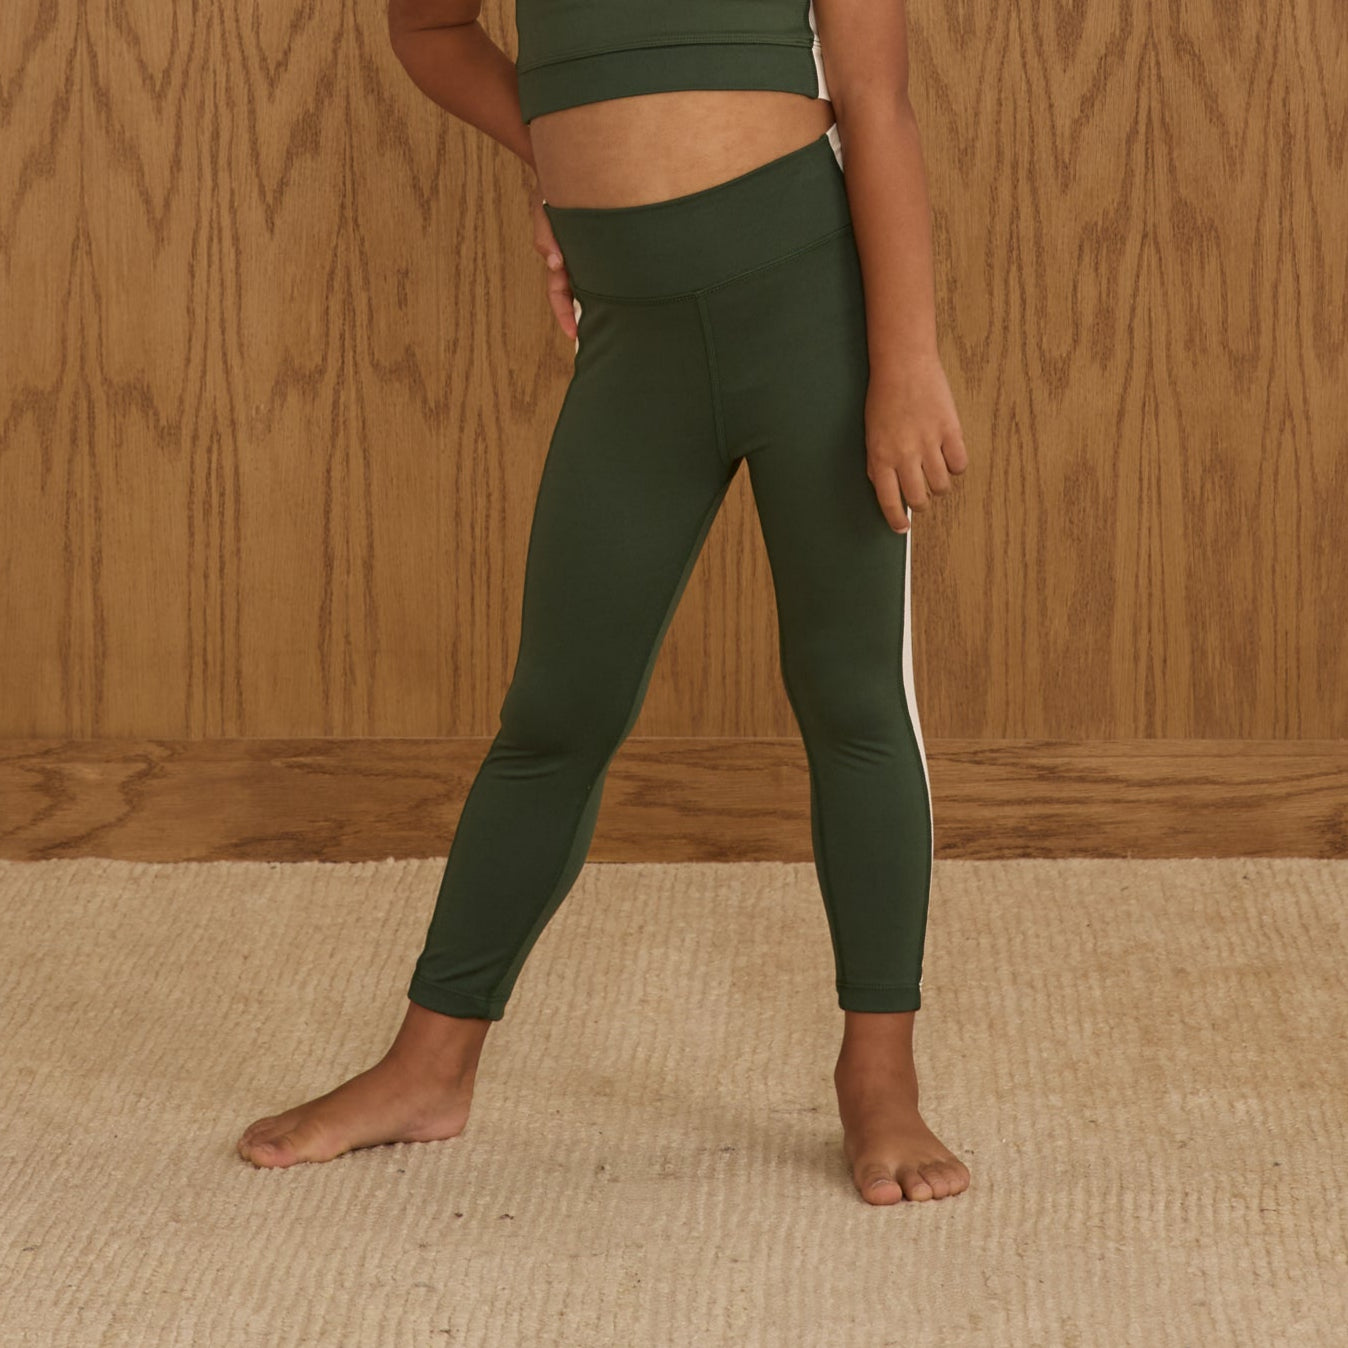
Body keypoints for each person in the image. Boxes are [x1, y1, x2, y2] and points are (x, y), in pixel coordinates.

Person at [237, 0, 971, 1206]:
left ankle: (879, 1077)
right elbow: (429, 29)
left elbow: (876, 103)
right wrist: (552, 149)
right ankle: (429, 1066)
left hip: (811, 315)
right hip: (634, 338)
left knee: (850, 698)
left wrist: (905, 362)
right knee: (555, 713)